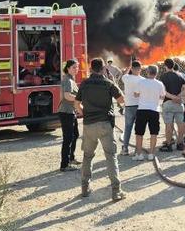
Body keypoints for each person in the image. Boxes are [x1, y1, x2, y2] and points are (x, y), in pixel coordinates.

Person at [74, 58, 126, 201]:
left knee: (87, 156)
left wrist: (84, 113)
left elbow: (76, 104)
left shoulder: (84, 83)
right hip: (105, 124)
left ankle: (85, 188)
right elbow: (122, 100)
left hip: (89, 125)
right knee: (111, 156)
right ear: (103, 69)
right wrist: (114, 83)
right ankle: (116, 191)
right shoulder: (108, 83)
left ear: (91, 68)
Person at [132, 64, 165, 161]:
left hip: (142, 109)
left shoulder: (141, 82)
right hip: (154, 110)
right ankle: (151, 154)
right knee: (154, 132)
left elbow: (135, 94)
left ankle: (139, 154)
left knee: (139, 133)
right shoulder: (159, 84)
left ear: (147, 72)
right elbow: (162, 96)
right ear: (156, 73)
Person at [159, 58, 185, 152]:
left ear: (165, 66)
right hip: (179, 103)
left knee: (168, 125)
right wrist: (178, 96)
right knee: (180, 124)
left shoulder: (163, 77)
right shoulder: (180, 75)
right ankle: (180, 144)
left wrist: (172, 97)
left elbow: (163, 92)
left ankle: (168, 145)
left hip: (168, 103)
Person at [58, 60, 81, 172]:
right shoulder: (67, 80)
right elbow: (67, 96)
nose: (76, 69)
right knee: (68, 138)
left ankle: (71, 158)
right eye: (73, 67)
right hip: (66, 112)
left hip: (71, 112)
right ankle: (64, 165)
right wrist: (80, 99)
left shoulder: (71, 79)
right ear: (68, 68)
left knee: (75, 135)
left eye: (77, 67)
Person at [120, 60, 143, 155]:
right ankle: (138, 150)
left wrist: (128, 67)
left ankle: (125, 148)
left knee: (128, 128)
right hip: (140, 106)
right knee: (139, 128)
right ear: (140, 69)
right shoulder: (143, 80)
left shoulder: (126, 78)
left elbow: (123, 75)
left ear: (132, 68)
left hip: (129, 106)